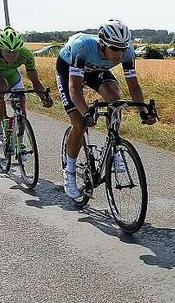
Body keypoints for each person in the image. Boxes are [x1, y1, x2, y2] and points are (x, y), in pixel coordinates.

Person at [56, 19, 153, 200]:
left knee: (115, 100)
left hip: (96, 71)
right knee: (79, 124)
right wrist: (86, 113)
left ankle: (114, 147)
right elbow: (75, 89)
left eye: (123, 48)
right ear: (102, 43)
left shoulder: (127, 53)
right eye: (115, 48)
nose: (119, 53)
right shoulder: (83, 47)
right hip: (68, 69)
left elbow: (134, 87)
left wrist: (143, 111)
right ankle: (69, 173)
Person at [0, 27, 53, 147]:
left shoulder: (26, 55)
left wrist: (44, 97)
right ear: (0, 47)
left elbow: (35, 81)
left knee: (21, 100)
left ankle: (20, 141)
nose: (11, 55)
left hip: (11, 71)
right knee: (1, 87)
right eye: (7, 51)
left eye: (15, 52)